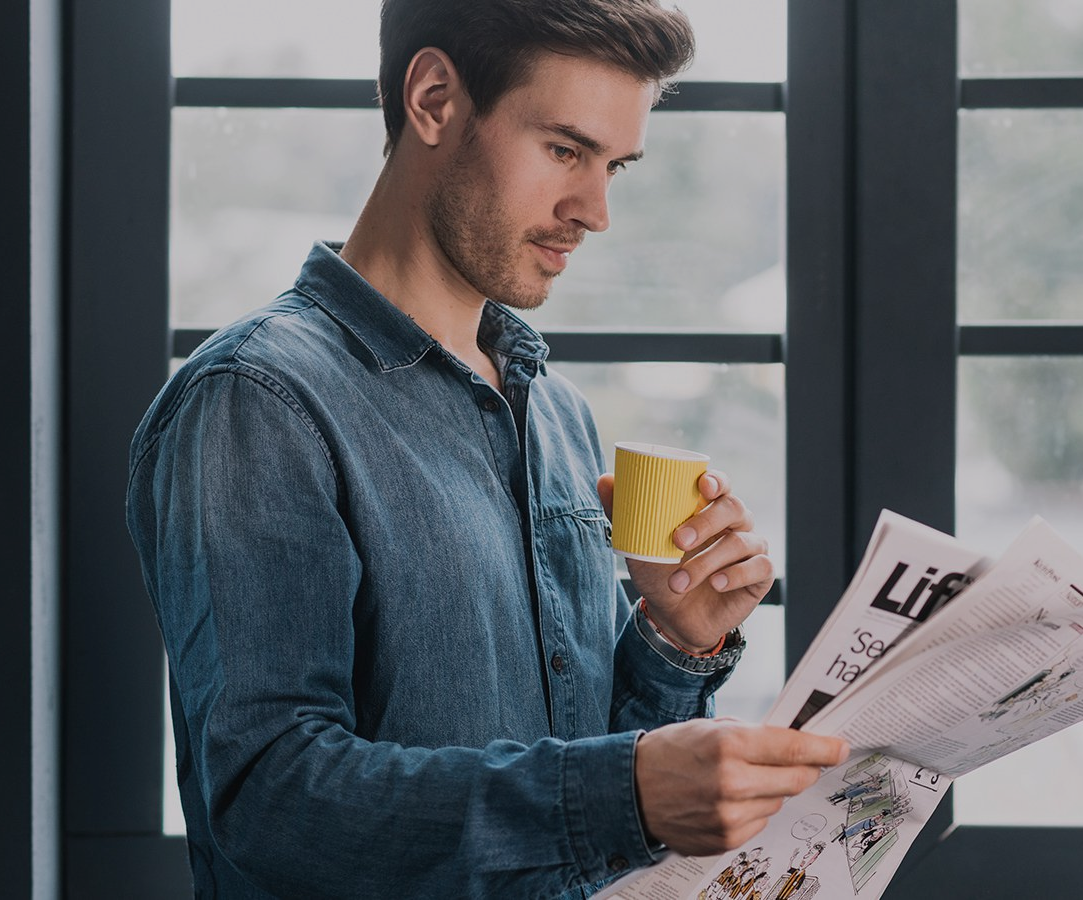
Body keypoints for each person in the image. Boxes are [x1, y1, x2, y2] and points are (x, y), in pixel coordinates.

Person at [124, 1, 847, 897]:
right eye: (565, 150)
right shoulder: (258, 400)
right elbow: (269, 798)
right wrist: (625, 795)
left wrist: (672, 643)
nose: (596, 211)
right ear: (432, 99)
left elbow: (582, 808)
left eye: (615, 166)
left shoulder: (559, 417)